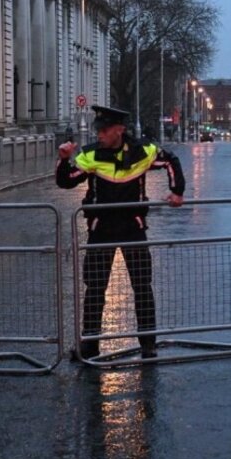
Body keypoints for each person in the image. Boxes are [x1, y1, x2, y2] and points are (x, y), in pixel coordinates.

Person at [56, 105, 186, 360]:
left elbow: (170, 160)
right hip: (101, 230)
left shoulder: (142, 152)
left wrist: (177, 191)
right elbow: (67, 180)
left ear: (120, 130)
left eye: (104, 130)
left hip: (132, 228)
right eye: (98, 130)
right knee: (95, 288)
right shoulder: (91, 154)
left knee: (142, 286)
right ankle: (90, 345)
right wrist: (63, 159)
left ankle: (148, 344)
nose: (100, 135)